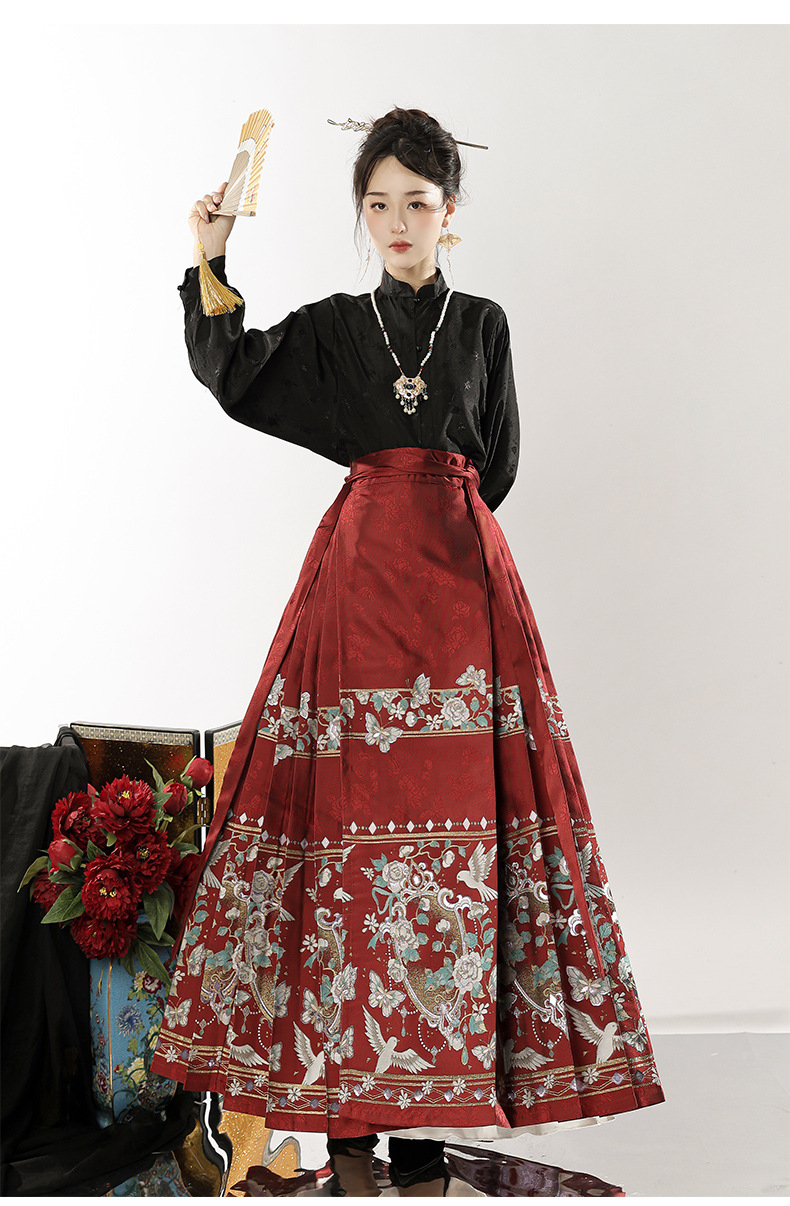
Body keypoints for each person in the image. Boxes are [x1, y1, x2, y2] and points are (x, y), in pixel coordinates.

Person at [149, 108, 665, 1196]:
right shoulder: (337, 330)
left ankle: (425, 1140)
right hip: (358, 600)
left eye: (416, 203)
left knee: (457, 861)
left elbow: (498, 461)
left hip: (464, 607)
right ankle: (349, 1144)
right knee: (350, 856)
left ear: (448, 212)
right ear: (361, 212)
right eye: (378, 204)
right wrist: (210, 256)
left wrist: (443, 527)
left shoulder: (482, 325)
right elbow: (233, 370)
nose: (396, 222)